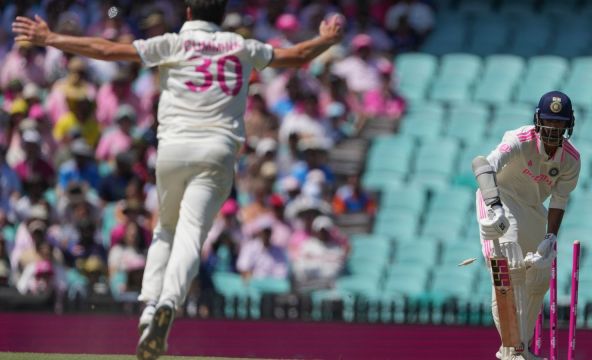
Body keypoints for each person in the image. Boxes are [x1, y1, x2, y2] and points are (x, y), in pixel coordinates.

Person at [13, 3, 344, 359]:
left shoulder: (173, 43)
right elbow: (295, 56)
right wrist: (325, 40)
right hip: (217, 150)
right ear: (220, 15)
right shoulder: (241, 46)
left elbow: (107, 50)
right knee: (190, 233)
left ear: (187, 12)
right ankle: (169, 302)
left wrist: (51, 38)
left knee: (164, 229)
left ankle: (148, 310)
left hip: (172, 150)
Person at [474, 91, 580, 360]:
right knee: (507, 266)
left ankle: (520, 347)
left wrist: (550, 237)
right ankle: (511, 349)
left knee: (540, 276)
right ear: (537, 120)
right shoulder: (519, 139)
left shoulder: (570, 160)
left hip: (534, 208)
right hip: (500, 197)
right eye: (548, 121)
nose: (553, 128)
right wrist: (494, 206)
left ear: (569, 125)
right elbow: (482, 164)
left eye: (559, 123)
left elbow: (559, 199)